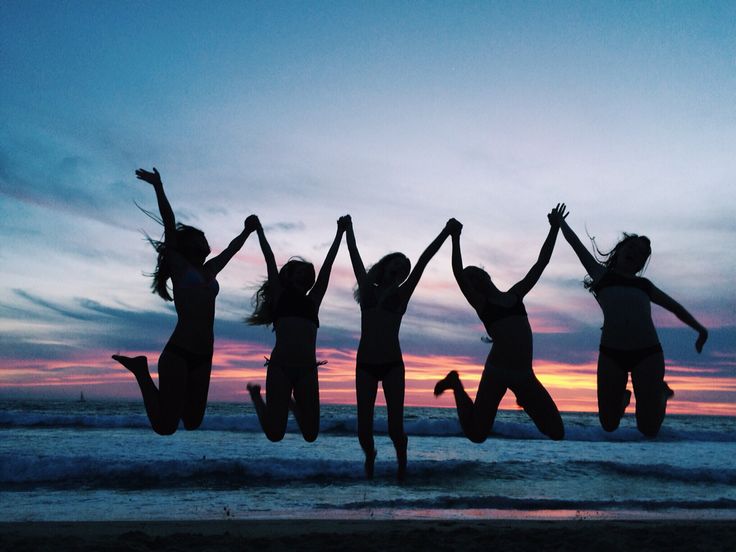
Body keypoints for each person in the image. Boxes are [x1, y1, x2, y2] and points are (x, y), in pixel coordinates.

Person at [113, 167, 258, 435]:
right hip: (179, 351)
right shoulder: (179, 267)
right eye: (201, 239)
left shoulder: (210, 269)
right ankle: (142, 373)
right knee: (166, 427)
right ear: (189, 245)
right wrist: (158, 186)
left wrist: (248, 230)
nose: (207, 243)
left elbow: (231, 249)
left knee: (192, 421)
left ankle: (167, 395)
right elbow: (169, 222)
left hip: (204, 354)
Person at [551, 204, 708, 437]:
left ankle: (661, 394)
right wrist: (560, 223)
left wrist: (700, 330)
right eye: (632, 247)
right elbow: (577, 246)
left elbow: (676, 308)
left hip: (648, 353)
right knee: (609, 424)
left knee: (648, 429)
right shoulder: (601, 276)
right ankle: (624, 399)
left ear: (641, 264)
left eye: (642, 253)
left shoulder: (644, 286)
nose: (636, 252)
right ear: (620, 249)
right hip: (611, 353)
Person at [435, 207, 565, 442]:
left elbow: (541, 263)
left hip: (524, 374)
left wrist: (554, 228)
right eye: (469, 281)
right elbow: (457, 272)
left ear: (487, 277)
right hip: (496, 372)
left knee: (556, 431)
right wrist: (455, 238)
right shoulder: (482, 306)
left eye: (476, 275)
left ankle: (523, 400)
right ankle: (456, 385)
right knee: (477, 434)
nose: (472, 281)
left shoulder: (516, 295)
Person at [346, 216, 457, 480]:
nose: (401, 271)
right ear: (385, 268)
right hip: (365, 365)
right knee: (364, 430)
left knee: (395, 427)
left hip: (393, 364)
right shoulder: (368, 290)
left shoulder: (402, 294)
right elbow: (354, 256)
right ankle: (370, 454)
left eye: (404, 270)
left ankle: (401, 462)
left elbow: (424, 260)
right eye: (396, 266)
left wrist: (446, 232)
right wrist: (348, 229)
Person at [246, 216, 349, 442]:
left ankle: (292, 406)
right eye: (300, 272)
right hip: (281, 367)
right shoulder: (280, 296)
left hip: (307, 370)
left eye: (308, 274)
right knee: (275, 434)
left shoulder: (313, 301)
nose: (307, 276)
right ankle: (256, 398)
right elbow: (269, 259)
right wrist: (259, 230)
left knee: (311, 435)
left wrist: (340, 233)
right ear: (289, 277)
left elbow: (328, 267)